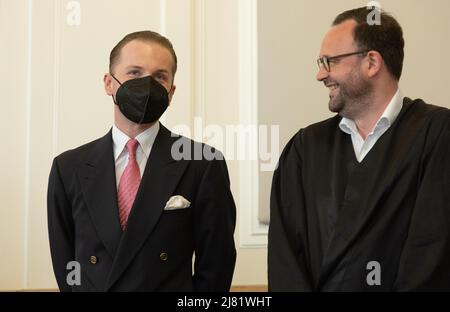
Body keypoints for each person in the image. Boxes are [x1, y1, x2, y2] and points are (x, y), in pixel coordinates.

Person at [268, 7, 450, 291]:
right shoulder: (305, 148)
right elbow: (285, 260)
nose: (320, 74)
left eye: (330, 61)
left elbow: (431, 252)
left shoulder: (437, 134)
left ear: (372, 62)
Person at [47, 31, 237, 291]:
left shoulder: (203, 163)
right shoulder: (68, 167)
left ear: (170, 92)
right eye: (134, 73)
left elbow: (216, 266)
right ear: (108, 83)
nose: (147, 85)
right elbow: (65, 261)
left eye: (160, 77)